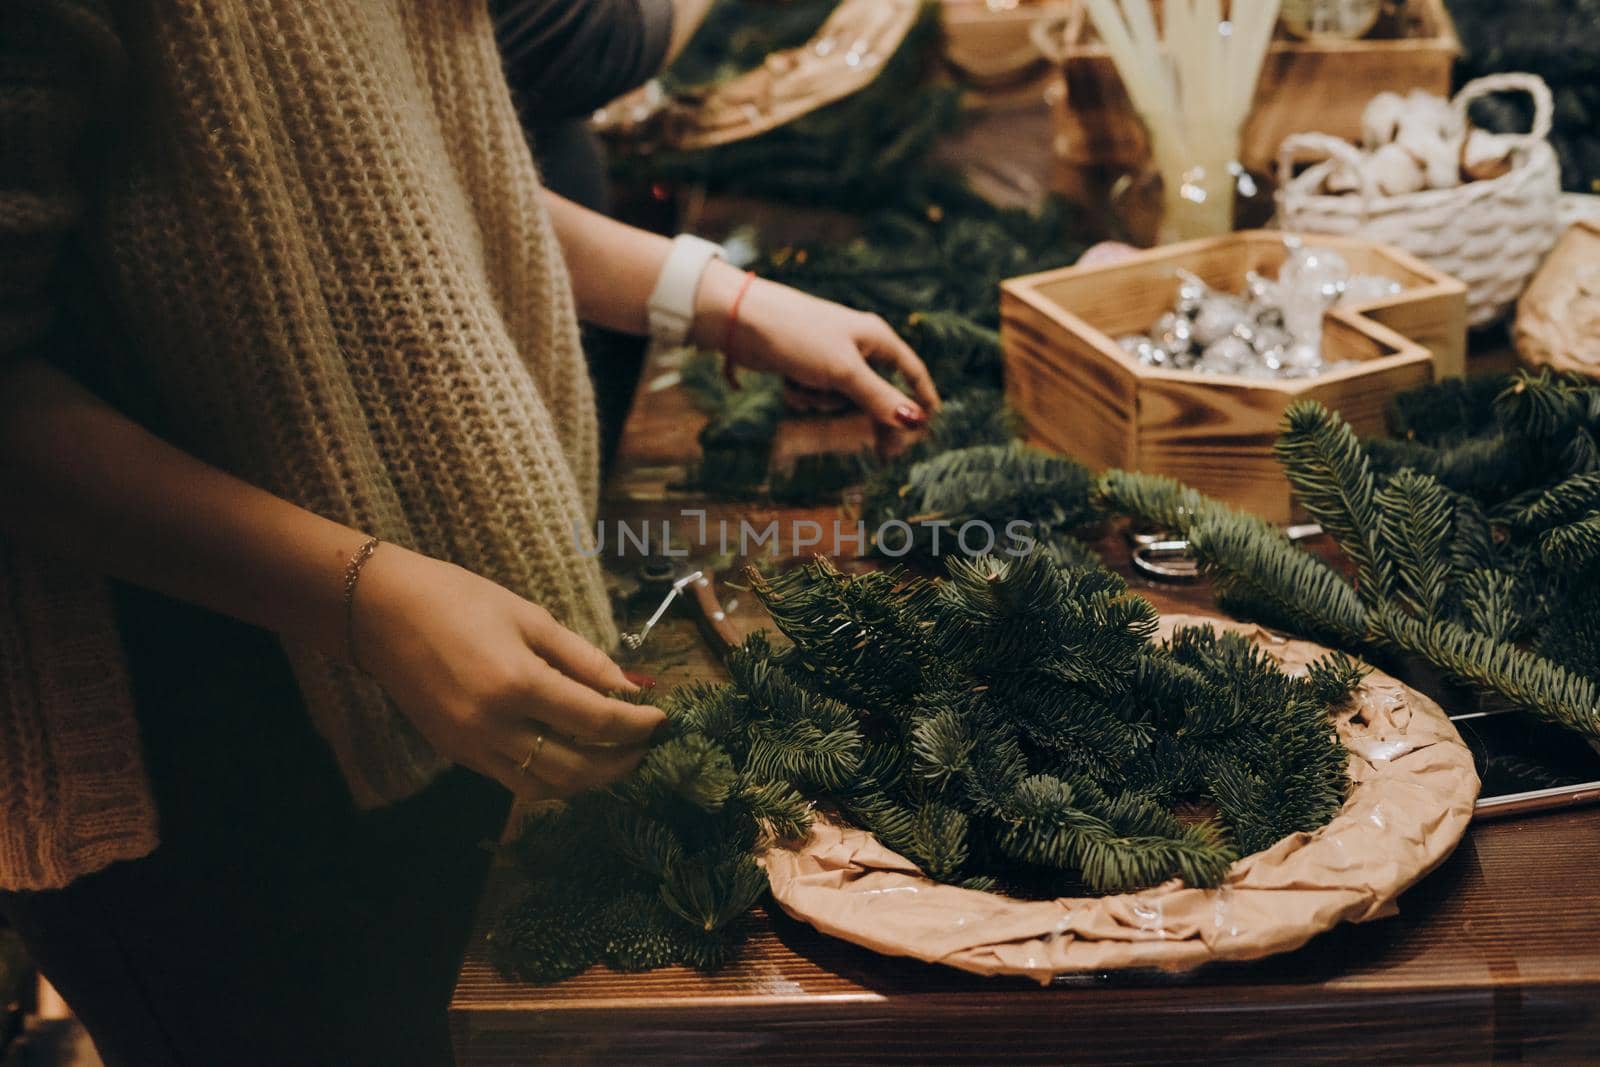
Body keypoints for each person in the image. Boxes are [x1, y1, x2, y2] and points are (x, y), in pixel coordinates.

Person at [0, 2, 939, 1066]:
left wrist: (716, 297)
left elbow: (395, 176)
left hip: (438, 648)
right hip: (209, 752)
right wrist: (366, 598)